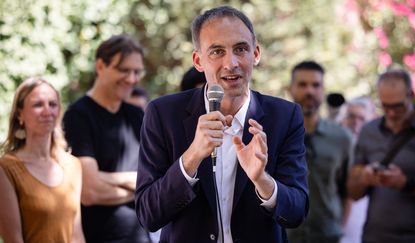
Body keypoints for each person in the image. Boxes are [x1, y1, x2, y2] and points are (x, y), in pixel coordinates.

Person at [135, 6, 309, 243]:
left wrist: (262, 180)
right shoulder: (162, 114)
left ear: (256, 54)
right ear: (198, 60)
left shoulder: (285, 115)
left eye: (240, 49)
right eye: (217, 51)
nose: (231, 63)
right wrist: (192, 157)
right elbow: (148, 215)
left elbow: (297, 212)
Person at [63, 35, 150, 242]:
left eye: (136, 72)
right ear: (101, 65)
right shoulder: (78, 115)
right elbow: (90, 191)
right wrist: (139, 188)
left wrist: (106, 177)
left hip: (142, 236)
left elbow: (157, 180)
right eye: (123, 70)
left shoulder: (137, 115)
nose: (131, 79)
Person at [347, 69, 415, 243]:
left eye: (398, 106)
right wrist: (364, 178)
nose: (391, 113)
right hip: (374, 236)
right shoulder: (368, 131)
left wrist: (406, 183)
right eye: (386, 106)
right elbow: (352, 192)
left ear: (411, 95)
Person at [0, 77, 85, 243]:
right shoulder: (7, 168)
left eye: (53, 104)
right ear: (19, 114)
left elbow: (77, 235)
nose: (47, 112)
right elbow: (14, 239)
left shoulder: (72, 165)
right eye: (38, 105)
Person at [286, 61, 352, 243]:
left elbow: (347, 191)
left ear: (323, 90)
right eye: (302, 84)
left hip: (327, 235)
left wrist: (340, 229)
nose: (310, 91)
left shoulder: (341, 138)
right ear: (290, 89)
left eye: (316, 85)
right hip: (284, 236)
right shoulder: (274, 133)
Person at [338, 96, 376, 243]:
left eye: (362, 119)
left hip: (362, 227)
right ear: (342, 120)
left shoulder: (376, 153)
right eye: (351, 117)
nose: (356, 123)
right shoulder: (332, 150)